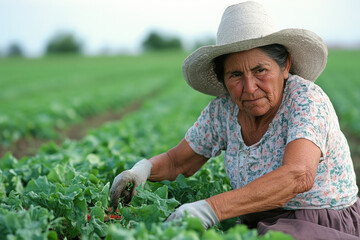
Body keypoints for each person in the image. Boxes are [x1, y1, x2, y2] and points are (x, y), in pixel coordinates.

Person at [110, 1, 360, 239]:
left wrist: (211, 209)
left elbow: (298, 175)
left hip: (317, 222)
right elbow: (178, 162)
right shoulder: (223, 111)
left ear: (285, 67)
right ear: (223, 79)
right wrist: (140, 171)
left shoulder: (306, 99)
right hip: (259, 220)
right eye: (236, 75)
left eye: (260, 70)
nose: (249, 88)